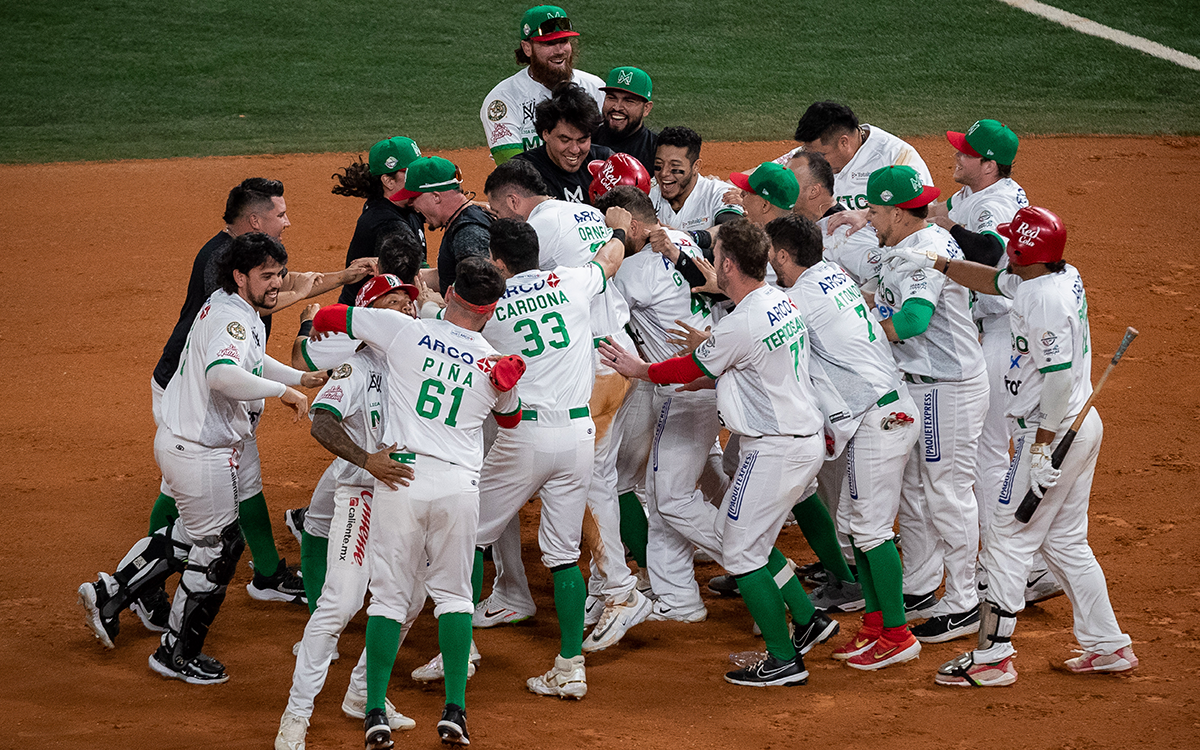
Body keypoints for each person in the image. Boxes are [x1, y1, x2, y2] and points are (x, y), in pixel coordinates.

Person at [883, 206, 1139, 686]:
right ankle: (1108, 645)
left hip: (1052, 431)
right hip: (1078, 426)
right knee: (1063, 541)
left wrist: (1040, 450)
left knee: (1006, 534)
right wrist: (938, 263)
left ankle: (993, 658)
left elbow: (1058, 380)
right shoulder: (1052, 275)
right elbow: (993, 281)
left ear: (1023, 252)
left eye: (1011, 245)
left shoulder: (1043, 299)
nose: (1004, 250)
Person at [79, 233, 323, 684]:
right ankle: (176, 652)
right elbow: (223, 374)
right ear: (240, 276)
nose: (276, 283)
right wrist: (282, 392)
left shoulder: (231, 304)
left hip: (187, 443)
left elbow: (251, 360)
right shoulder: (232, 318)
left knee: (194, 534)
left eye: (280, 274)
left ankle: (111, 592)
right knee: (218, 550)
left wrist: (299, 377)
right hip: (200, 451)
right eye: (266, 276)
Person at [599, 218, 830, 687]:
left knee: (741, 552)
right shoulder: (775, 301)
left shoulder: (741, 323)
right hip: (796, 440)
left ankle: (783, 660)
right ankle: (808, 622)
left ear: (727, 265)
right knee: (749, 542)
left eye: (715, 253)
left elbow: (689, 366)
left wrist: (639, 369)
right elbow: (731, 370)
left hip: (775, 449)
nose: (708, 259)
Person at [311, 257, 525, 748]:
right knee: (454, 597)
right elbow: (511, 421)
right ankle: (455, 712)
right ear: (491, 310)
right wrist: (499, 383)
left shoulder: (405, 331)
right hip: (457, 486)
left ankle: (373, 712)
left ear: (448, 293)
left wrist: (322, 328)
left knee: (388, 598)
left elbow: (329, 317)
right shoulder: (495, 361)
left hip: (400, 478)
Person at [143, 179, 371, 622]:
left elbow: (282, 291)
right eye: (279, 214)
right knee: (179, 486)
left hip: (228, 382)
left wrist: (340, 278)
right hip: (189, 386)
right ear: (255, 220)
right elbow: (264, 310)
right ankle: (143, 586)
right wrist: (287, 383)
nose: (287, 221)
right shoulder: (221, 263)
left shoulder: (249, 254)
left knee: (245, 478)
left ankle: (267, 573)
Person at [483, 161, 648, 650]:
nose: (497, 219)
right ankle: (606, 584)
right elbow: (608, 260)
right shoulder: (581, 213)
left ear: (514, 201)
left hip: (593, 364)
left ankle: (620, 589)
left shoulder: (540, 227)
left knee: (589, 480)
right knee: (598, 478)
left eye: (497, 210)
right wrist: (618, 231)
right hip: (613, 352)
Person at [766, 214, 921, 670]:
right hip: (877, 411)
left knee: (871, 530)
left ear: (782, 256)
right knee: (857, 526)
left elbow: (763, 325)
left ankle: (898, 634)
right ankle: (876, 625)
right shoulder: (830, 273)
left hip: (881, 416)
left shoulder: (800, 298)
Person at [275, 275, 422, 750]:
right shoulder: (355, 368)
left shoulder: (422, 360)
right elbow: (322, 421)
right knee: (340, 602)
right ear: (370, 316)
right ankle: (296, 715)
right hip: (361, 496)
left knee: (410, 601)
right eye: (393, 304)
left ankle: (362, 692)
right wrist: (366, 460)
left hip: (406, 500)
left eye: (408, 304)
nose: (406, 311)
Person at [930, 120, 1063, 605]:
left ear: (989, 165)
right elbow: (940, 212)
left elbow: (989, 251)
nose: (957, 156)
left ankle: (1015, 564)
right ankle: (1030, 562)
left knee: (988, 452)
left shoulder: (996, 203)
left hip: (1005, 334)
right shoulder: (976, 193)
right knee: (992, 450)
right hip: (994, 331)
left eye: (966, 153)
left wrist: (947, 228)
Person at [866, 165, 989, 643]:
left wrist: (863, 337)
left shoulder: (926, 250)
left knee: (947, 492)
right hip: (920, 383)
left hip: (946, 387)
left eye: (874, 211)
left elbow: (913, 320)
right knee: (915, 489)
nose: (870, 218)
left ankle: (964, 601)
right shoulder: (903, 243)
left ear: (898, 212)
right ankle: (919, 584)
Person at [481, 4, 604, 165]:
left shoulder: (595, 87)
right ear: (527, 48)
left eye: (563, 41)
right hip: (534, 181)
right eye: (549, 43)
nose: (559, 51)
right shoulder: (504, 99)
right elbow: (513, 169)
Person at [787, 101, 932, 212]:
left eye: (821, 155)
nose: (815, 161)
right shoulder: (811, 152)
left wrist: (864, 216)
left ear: (844, 142)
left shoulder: (897, 157)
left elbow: (922, 213)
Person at [331, 136, 426, 305]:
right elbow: (413, 277)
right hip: (369, 314)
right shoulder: (388, 225)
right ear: (388, 181)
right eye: (412, 171)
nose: (420, 176)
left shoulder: (401, 203)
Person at [393, 156, 492, 294]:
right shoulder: (462, 220)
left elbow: (481, 290)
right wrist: (392, 272)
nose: (413, 207)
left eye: (413, 198)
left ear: (436, 196)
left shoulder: (468, 233)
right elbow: (446, 276)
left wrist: (433, 305)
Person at [513, 82, 614, 203]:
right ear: (546, 134)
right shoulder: (521, 172)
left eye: (582, 140)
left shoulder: (606, 162)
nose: (574, 150)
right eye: (565, 140)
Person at [650, 126, 744, 232]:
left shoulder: (720, 194)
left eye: (675, 166)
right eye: (658, 164)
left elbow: (731, 231)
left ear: (696, 166)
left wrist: (685, 237)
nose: (663, 173)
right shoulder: (647, 193)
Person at [592, 66, 657, 174]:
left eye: (629, 101)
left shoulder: (656, 151)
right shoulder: (585, 140)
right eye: (611, 98)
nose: (617, 107)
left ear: (646, 108)